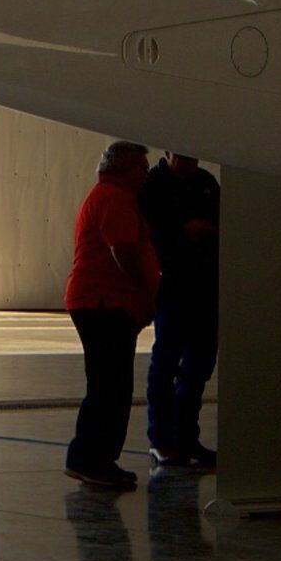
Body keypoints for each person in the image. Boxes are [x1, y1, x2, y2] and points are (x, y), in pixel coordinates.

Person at [63, 141, 162, 491]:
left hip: (103, 303)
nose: (145, 175)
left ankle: (95, 458)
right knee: (110, 386)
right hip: (104, 304)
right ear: (123, 167)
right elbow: (125, 253)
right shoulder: (114, 199)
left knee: (109, 385)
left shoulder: (110, 196)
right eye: (140, 167)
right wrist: (147, 293)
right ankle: (91, 459)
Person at [140, 151, 221, 472]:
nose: (191, 161)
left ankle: (187, 437)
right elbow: (146, 234)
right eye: (184, 156)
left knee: (200, 364)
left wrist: (208, 232)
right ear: (169, 152)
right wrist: (182, 232)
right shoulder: (153, 185)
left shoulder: (206, 183)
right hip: (171, 286)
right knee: (166, 361)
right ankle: (161, 440)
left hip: (205, 287)